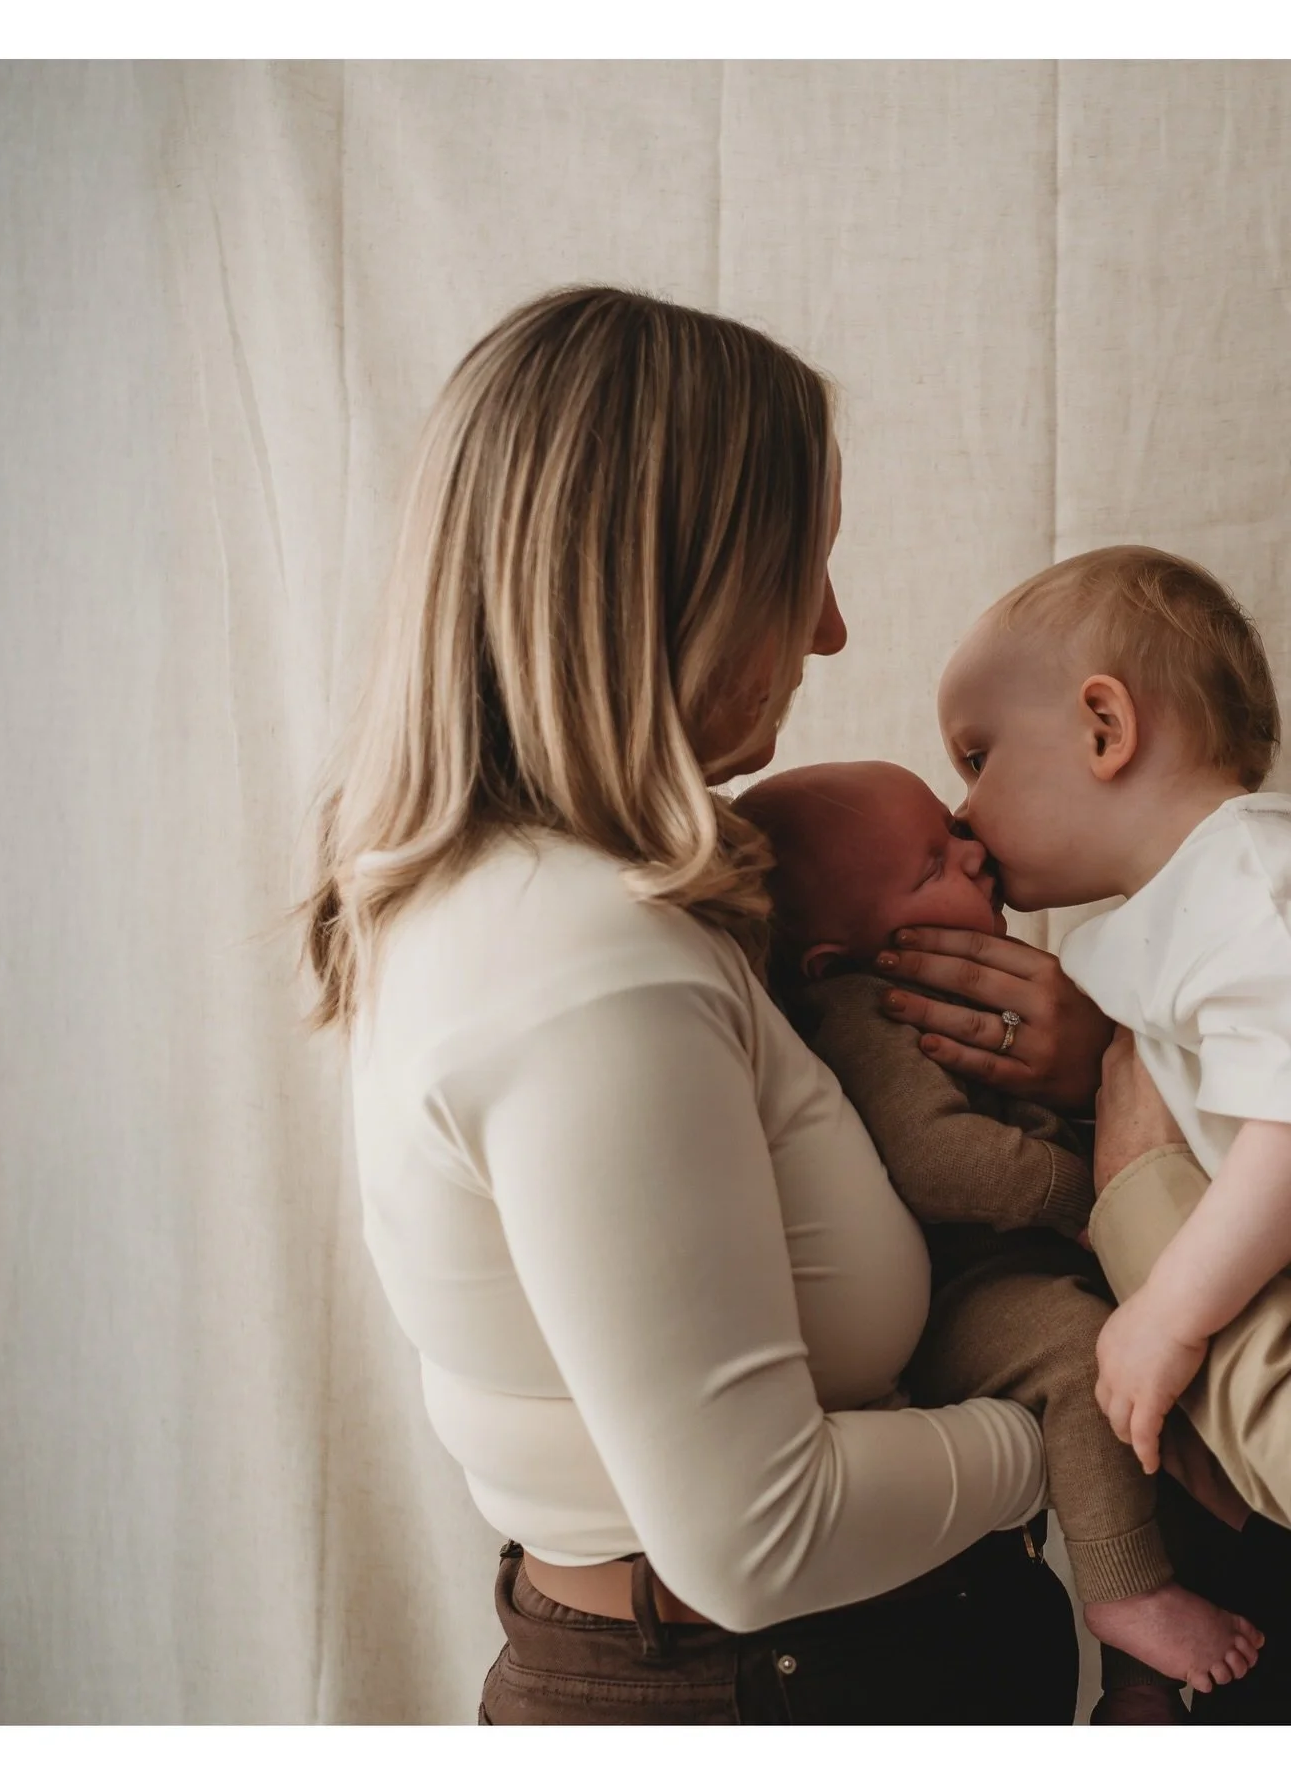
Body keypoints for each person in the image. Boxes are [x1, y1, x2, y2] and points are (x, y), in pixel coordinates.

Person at [302, 284, 1153, 1723]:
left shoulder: (554, 907)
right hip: (776, 1684)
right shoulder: (584, 964)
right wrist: (1077, 1416)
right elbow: (764, 1536)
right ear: (667, 578)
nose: (829, 632)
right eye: (801, 567)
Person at [732, 759, 1260, 1719]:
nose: (979, 855)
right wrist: (1089, 1195)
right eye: (935, 861)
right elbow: (939, 1163)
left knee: (1145, 1383)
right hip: (970, 1295)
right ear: (835, 957)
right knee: (1075, 1352)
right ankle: (1124, 1596)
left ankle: (1148, 1677)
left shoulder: (1011, 980)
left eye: (956, 828)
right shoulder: (864, 1012)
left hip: (1036, 1265)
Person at [935, 545, 1291, 1516]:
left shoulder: (1250, 877)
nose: (962, 814)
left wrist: (1172, 1316)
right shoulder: (1173, 914)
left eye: (976, 756)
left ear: (1104, 726)